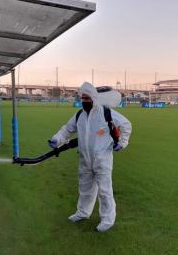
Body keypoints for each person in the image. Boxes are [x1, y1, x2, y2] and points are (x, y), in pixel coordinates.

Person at [49, 82, 132, 232]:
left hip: (102, 159)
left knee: (105, 191)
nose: (85, 101)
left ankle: (107, 220)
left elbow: (126, 124)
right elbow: (67, 130)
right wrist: (56, 139)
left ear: (94, 98)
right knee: (85, 188)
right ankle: (82, 213)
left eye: (87, 98)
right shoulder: (79, 115)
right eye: (83, 98)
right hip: (85, 159)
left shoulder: (106, 113)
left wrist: (123, 142)